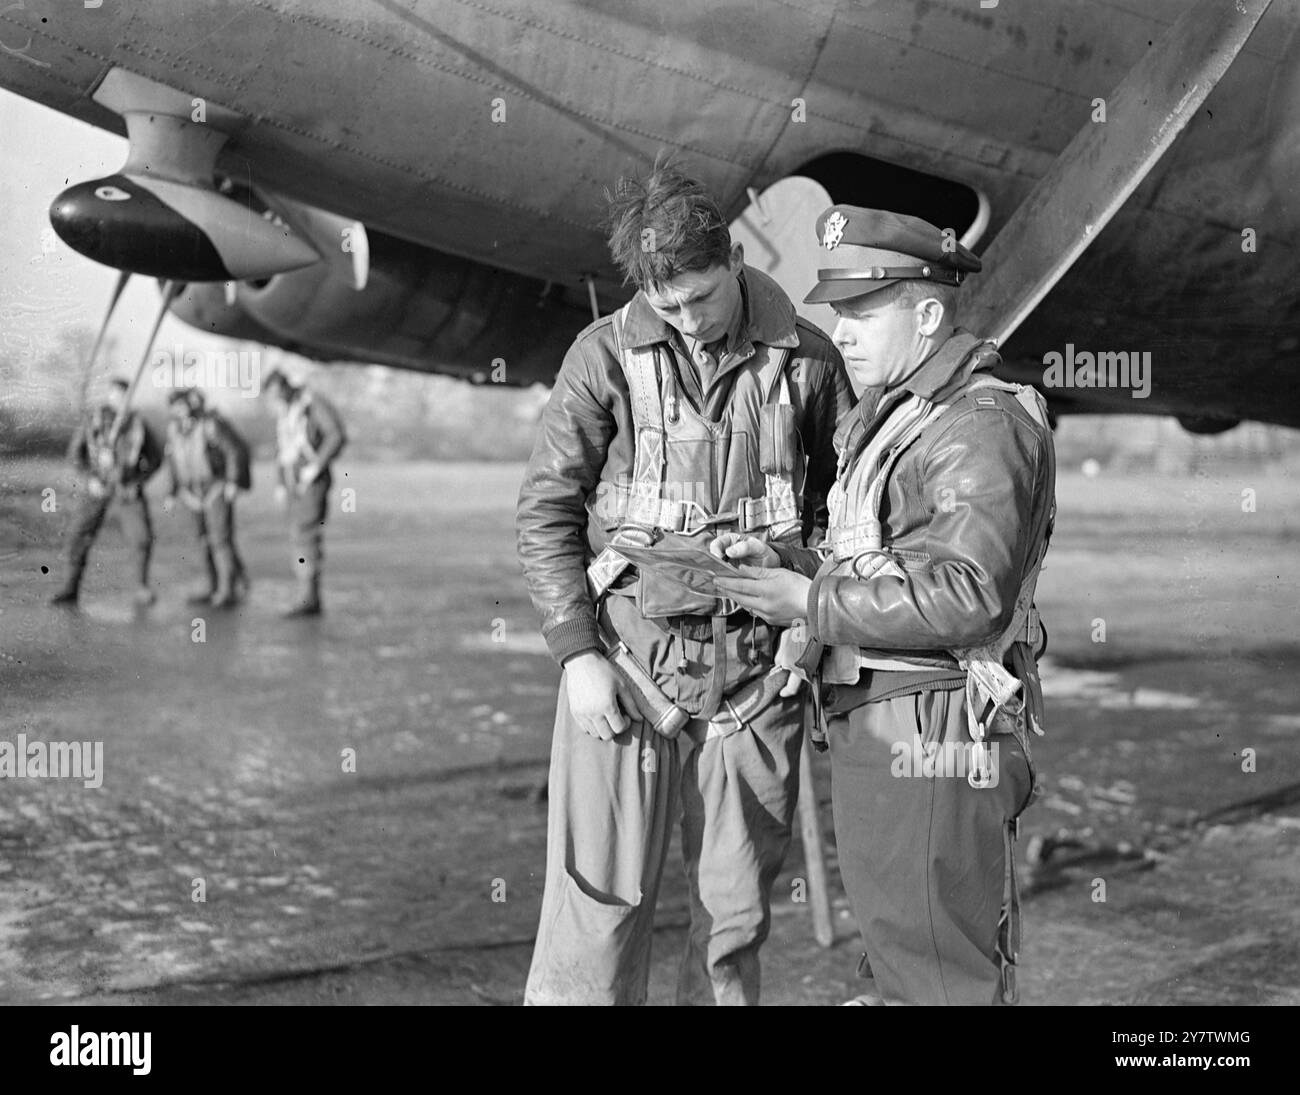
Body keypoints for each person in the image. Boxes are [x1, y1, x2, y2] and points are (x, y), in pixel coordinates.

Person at [516, 163, 853, 1006]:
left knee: (731, 923)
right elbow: (545, 512)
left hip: (756, 682)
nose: (690, 321)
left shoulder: (809, 361)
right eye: (667, 307)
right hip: (625, 670)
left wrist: (804, 594)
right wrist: (576, 656)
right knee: (597, 910)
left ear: (735, 259)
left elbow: (848, 517)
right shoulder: (601, 357)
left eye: (701, 297)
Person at [712, 206, 1057, 1006]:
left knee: (937, 975)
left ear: (928, 313)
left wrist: (810, 598)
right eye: (838, 311)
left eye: (866, 310)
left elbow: (968, 594)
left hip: (931, 726)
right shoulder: (906, 411)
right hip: (886, 718)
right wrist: (794, 564)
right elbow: (888, 558)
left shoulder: (977, 421)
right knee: (902, 963)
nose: (845, 330)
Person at [50, 378, 164, 606]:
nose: (119, 399)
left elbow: (155, 458)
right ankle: (70, 588)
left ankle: (141, 588)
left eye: (124, 395)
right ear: (109, 395)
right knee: (79, 536)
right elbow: (75, 455)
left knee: (141, 537)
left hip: (127, 490)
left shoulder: (137, 424)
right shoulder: (93, 420)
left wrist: (138, 482)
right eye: (115, 394)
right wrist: (90, 479)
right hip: (97, 488)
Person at [262, 369, 347, 617]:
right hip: (291, 482)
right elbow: (283, 449)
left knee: (306, 535)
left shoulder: (312, 404)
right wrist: (280, 483)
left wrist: (316, 465)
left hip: (311, 481)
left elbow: (336, 435)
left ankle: (308, 597)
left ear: (286, 388)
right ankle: (306, 593)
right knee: (298, 535)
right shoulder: (286, 412)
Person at [162, 388, 250, 609]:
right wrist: (171, 492)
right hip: (190, 494)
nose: (179, 411)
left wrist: (232, 481)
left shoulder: (210, 424)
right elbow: (173, 463)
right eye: (175, 407)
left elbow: (233, 452)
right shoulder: (173, 430)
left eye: (183, 405)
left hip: (215, 488)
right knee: (200, 540)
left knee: (220, 539)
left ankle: (226, 589)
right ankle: (210, 585)